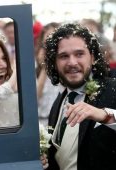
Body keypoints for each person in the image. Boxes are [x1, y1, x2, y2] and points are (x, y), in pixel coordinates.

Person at [44, 23, 116, 170]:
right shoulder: (58, 102)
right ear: (55, 63)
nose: (72, 62)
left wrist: (105, 116)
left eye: (79, 54)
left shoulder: (112, 88)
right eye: (64, 56)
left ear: (93, 57)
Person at [35, 22, 61, 126]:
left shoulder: (65, 65)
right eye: (48, 37)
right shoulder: (36, 64)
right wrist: (44, 67)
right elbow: (35, 97)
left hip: (59, 120)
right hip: (41, 121)